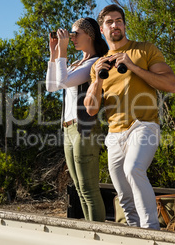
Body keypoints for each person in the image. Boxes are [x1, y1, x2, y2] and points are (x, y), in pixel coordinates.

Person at [84, 4, 175, 229]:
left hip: (144, 125)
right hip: (115, 134)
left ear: (124, 25)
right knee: (123, 190)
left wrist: (132, 66)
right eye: (109, 22)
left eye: (118, 20)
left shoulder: (144, 50)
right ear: (102, 31)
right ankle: (134, 231)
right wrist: (98, 79)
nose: (115, 25)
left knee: (133, 169)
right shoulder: (99, 64)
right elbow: (91, 109)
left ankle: (150, 231)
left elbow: (170, 85)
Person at [46, 17, 109, 222]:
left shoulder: (94, 63)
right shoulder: (75, 64)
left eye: (75, 34)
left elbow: (63, 81)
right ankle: (91, 232)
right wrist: (54, 54)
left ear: (90, 35)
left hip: (85, 128)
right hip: (68, 129)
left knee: (89, 188)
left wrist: (62, 51)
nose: (71, 38)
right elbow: (52, 86)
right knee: (79, 189)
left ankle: (100, 234)